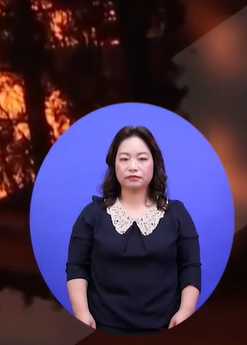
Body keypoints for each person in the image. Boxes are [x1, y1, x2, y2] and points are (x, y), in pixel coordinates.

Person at [65, 125, 202, 335]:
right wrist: (81, 312)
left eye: (142, 158)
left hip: (165, 327)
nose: (133, 166)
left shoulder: (177, 214)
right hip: (103, 329)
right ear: (114, 164)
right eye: (124, 158)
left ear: (155, 164)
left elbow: (190, 266)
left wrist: (186, 310)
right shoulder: (91, 215)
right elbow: (77, 266)